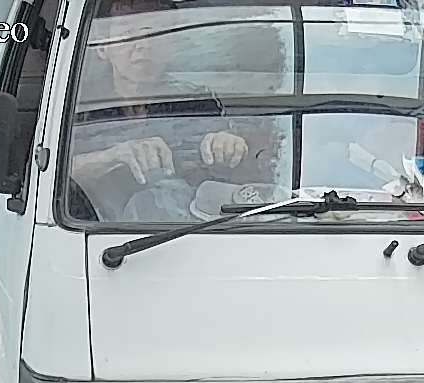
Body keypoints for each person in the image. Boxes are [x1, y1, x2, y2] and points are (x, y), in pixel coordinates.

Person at [65, 0, 278, 223]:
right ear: (102, 47)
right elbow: (54, 172)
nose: (143, 45)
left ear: (171, 45)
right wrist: (112, 157)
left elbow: (227, 156)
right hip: (94, 228)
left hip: (183, 226)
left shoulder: (194, 101)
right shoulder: (75, 104)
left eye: (154, 34)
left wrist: (228, 145)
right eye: (128, 33)